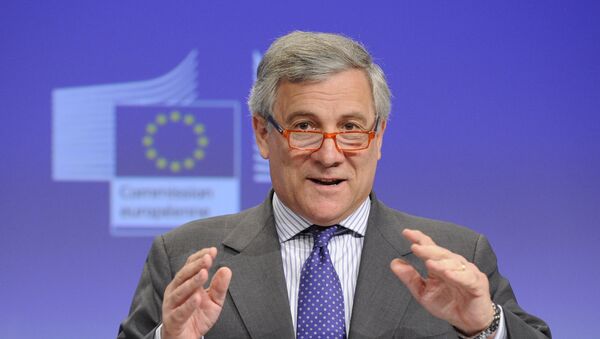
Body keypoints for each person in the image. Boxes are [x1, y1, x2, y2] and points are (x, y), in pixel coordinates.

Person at [118, 31, 551, 339]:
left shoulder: (458, 255)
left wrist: (485, 329)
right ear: (263, 134)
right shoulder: (183, 256)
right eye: (304, 126)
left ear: (378, 138)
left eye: (351, 128)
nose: (329, 154)